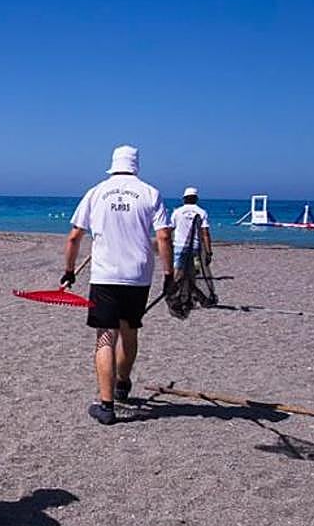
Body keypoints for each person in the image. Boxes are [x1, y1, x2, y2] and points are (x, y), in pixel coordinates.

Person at [61, 145, 173, 425]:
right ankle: (123, 383)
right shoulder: (150, 193)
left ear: (112, 165)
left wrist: (69, 271)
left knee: (105, 337)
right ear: (136, 166)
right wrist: (169, 274)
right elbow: (164, 238)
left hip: (105, 275)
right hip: (138, 276)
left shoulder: (96, 192)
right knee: (129, 331)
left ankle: (107, 405)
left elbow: (74, 237)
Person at [171, 186, 212, 269]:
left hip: (179, 245)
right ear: (196, 199)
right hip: (195, 246)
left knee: (177, 269)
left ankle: (177, 281)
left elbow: (170, 229)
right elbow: (205, 234)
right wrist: (208, 251)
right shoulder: (202, 212)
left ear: (184, 199)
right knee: (194, 270)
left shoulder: (177, 212)